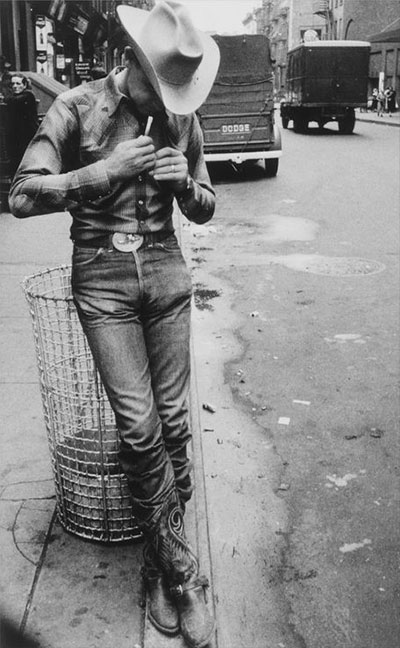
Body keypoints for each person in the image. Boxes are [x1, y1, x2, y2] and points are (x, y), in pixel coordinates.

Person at [9, 2, 220, 647]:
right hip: (100, 272)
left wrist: (186, 184)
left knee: (178, 420)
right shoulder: (73, 107)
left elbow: (207, 206)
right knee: (139, 423)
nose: (167, 101)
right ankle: (180, 575)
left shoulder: (183, 120)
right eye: (159, 85)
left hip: (165, 268)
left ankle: (163, 567)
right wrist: (103, 172)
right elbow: (20, 193)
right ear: (130, 60)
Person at [6, 73, 39, 175]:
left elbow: (13, 101)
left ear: (24, 85)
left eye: (18, 83)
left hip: (27, 137)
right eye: (13, 84)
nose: (15, 86)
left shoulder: (28, 95)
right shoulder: (15, 97)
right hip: (16, 138)